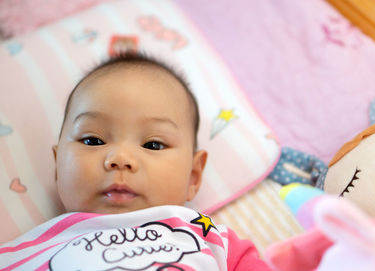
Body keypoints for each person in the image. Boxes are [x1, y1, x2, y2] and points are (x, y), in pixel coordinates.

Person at [0, 52, 271, 270]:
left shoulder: (212, 240)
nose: (120, 159)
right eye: (93, 140)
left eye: (153, 144)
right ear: (58, 165)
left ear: (193, 176)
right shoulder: (19, 254)